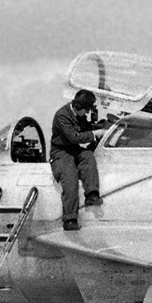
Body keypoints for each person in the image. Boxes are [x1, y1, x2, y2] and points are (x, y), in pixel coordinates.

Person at [51, 89, 106, 231]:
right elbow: (74, 137)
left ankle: (92, 194)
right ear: (78, 107)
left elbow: (84, 128)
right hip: (60, 152)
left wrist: (98, 126)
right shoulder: (62, 115)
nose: (87, 114)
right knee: (70, 179)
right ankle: (70, 219)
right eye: (86, 111)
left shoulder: (78, 113)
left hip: (73, 149)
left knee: (88, 156)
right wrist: (94, 134)